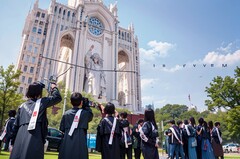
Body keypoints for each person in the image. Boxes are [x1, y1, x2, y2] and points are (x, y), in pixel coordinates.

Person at [10, 82, 62, 159]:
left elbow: (15, 127)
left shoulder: (22, 106)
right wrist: (54, 88)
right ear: (39, 92)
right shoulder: (42, 102)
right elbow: (57, 97)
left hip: (20, 138)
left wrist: (12, 143)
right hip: (34, 136)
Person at [58, 92, 93, 159]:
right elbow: (90, 116)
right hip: (80, 140)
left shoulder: (66, 114)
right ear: (81, 102)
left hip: (67, 140)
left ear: (70, 102)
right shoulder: (85, 113)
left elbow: (62, 128)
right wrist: (86, 106)